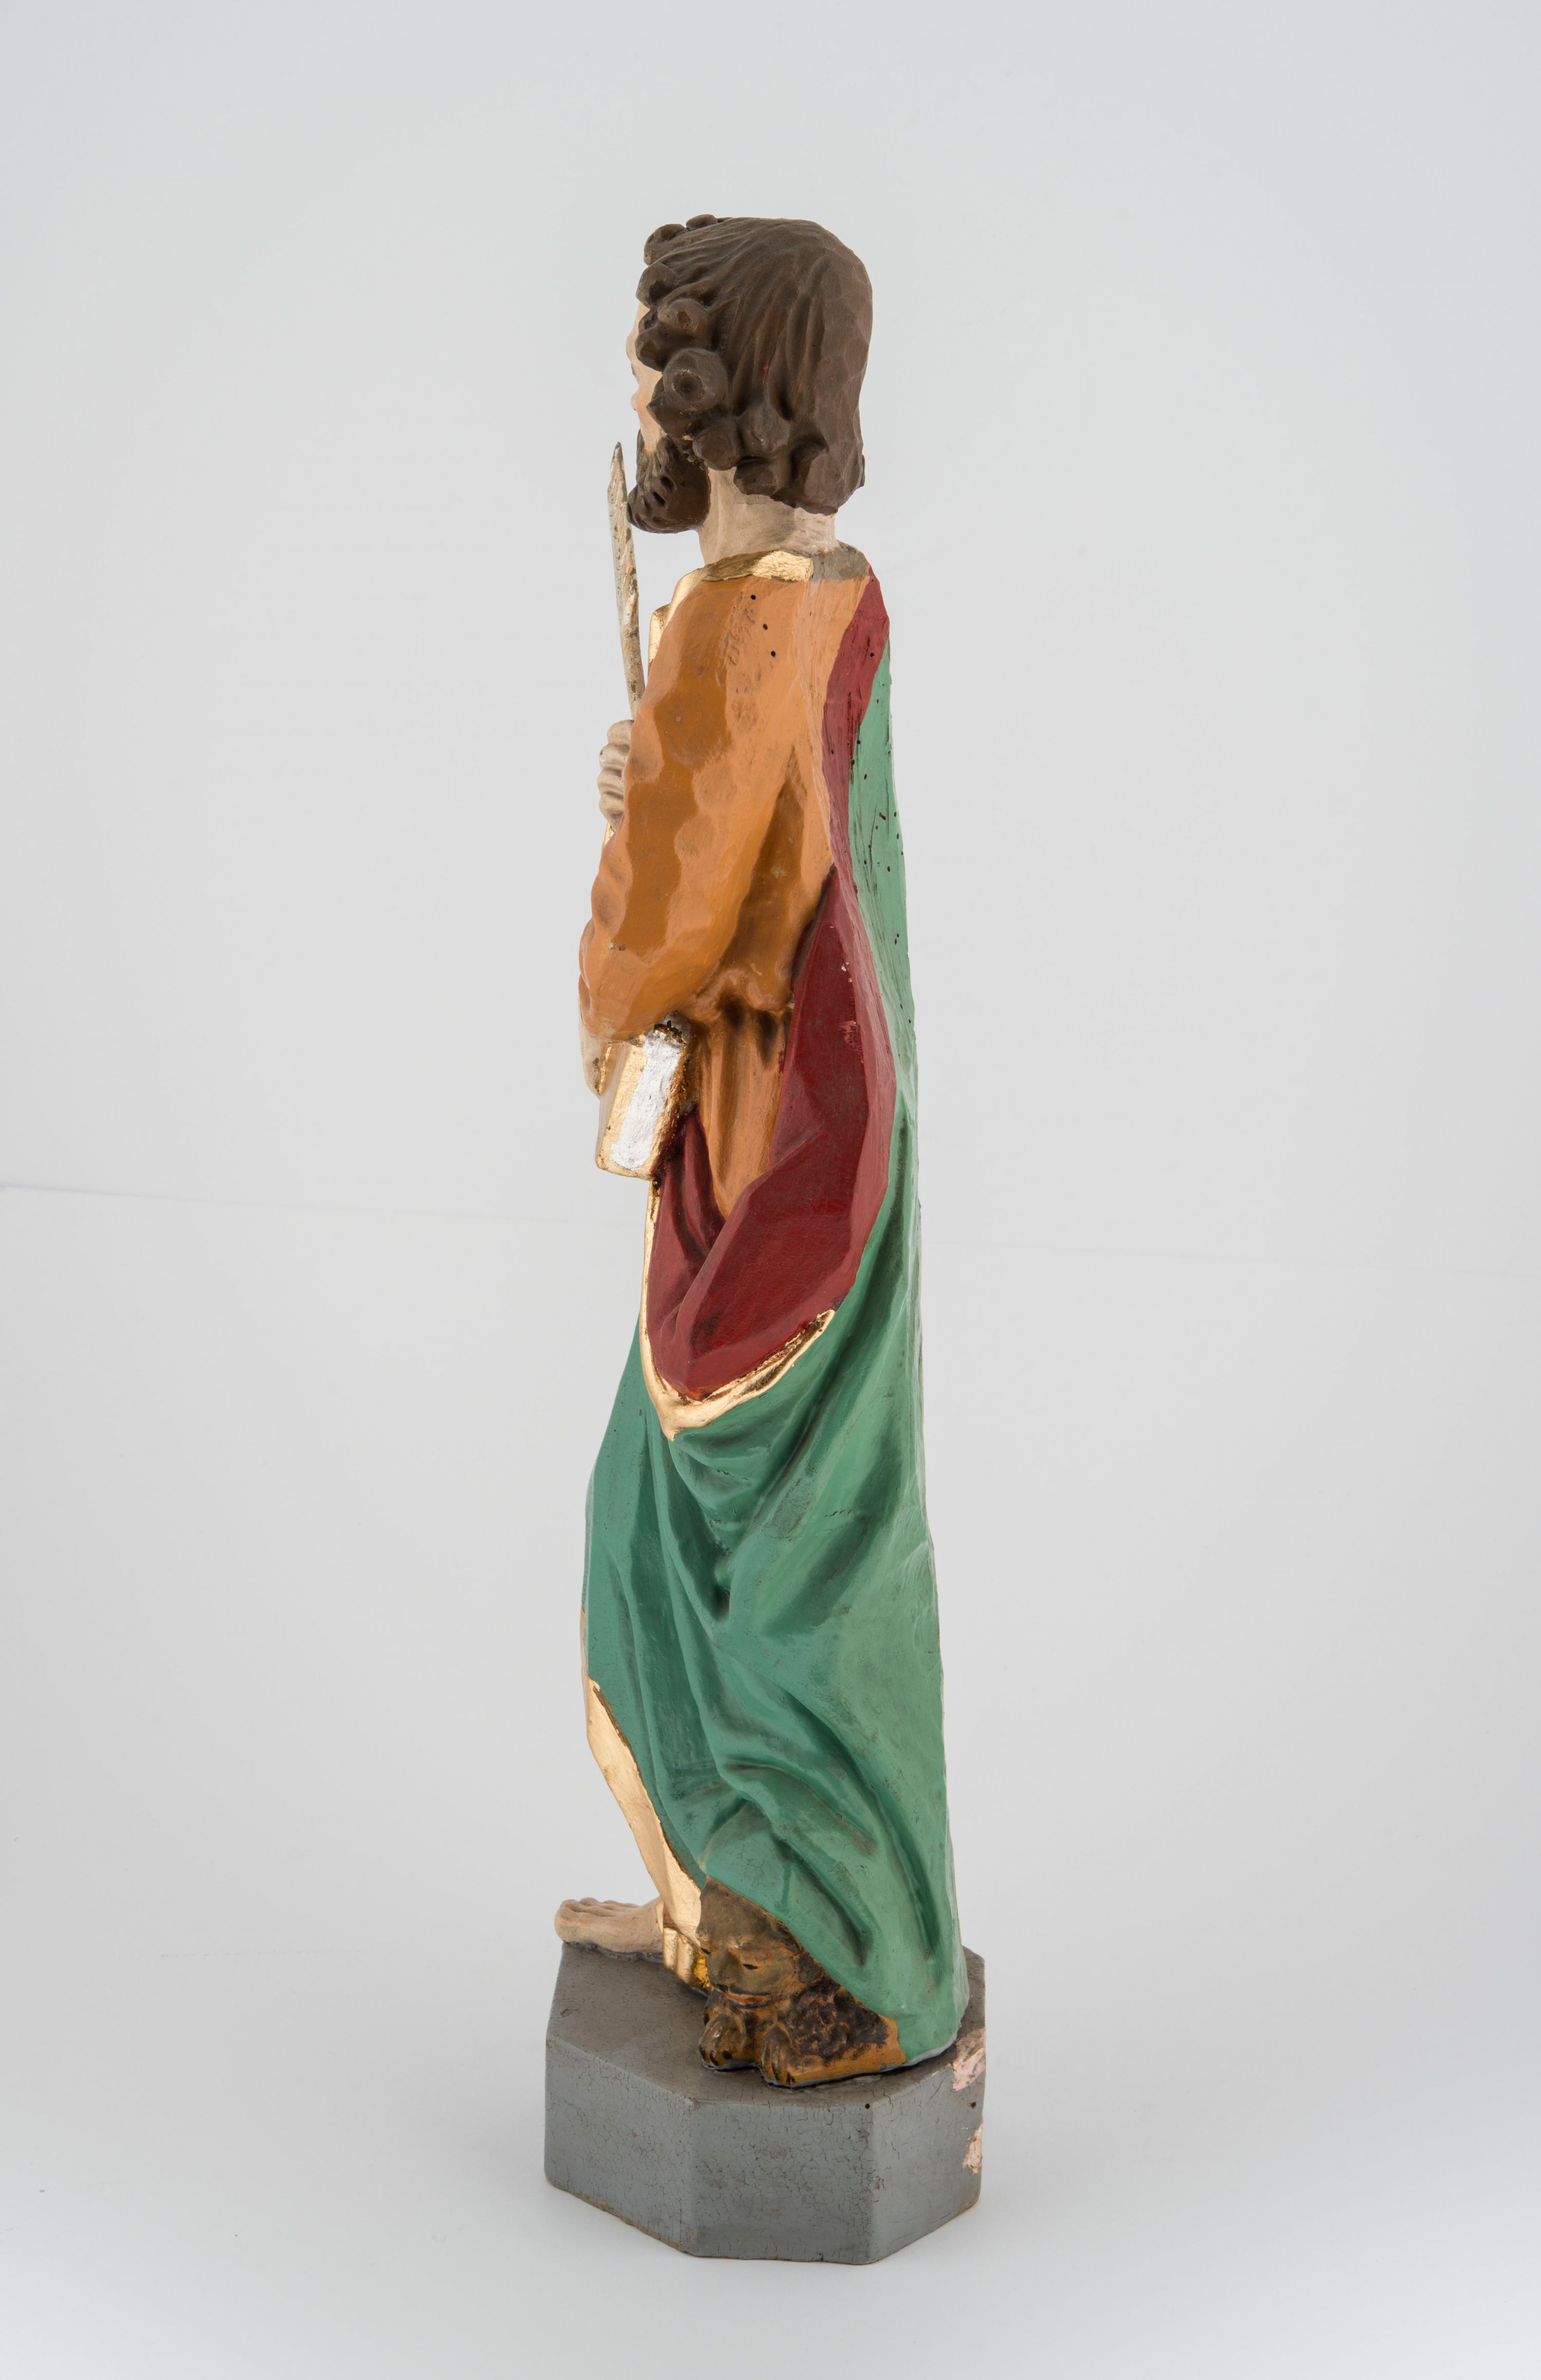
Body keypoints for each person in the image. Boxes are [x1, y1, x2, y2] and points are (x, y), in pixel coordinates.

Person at [557, 216, 967, 2088]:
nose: (645, 398)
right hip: (834, 1116)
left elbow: (663, 926)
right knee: (731, 1529)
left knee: (747, 1550)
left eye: (660, 362)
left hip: (771, 1150)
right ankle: (730, 1904)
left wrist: (644, 812)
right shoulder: (835, 586)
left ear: (719, 389)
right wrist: (663, 755)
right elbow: (788, 832)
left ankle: (854, 1952)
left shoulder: (741, 620)